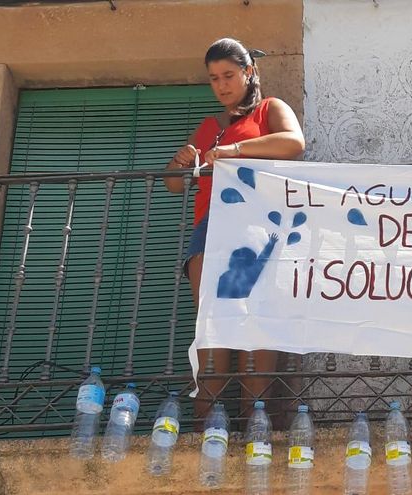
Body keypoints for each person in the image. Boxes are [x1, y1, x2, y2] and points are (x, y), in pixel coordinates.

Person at [163, 38, 306, 419]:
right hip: (211, 226)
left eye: (228, 75)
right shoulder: (210, 126)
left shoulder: (269, 110)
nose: (221, 85)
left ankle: (252, 420)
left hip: (260, 222)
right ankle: (207, 425)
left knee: (255, 318)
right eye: (214, 79)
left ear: (249, 72)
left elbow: (294, 143)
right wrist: (179, 163)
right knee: (214, 323)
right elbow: (176, 184)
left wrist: (235, 152)